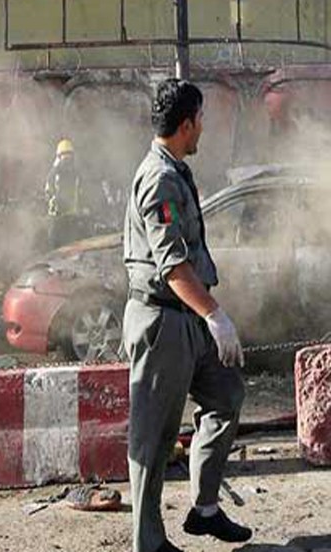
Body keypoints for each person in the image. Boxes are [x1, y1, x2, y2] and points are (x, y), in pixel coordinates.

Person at [123, 79, 250, 552]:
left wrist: (207, 317)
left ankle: (205, 510)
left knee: (226, 394)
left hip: (187, 316)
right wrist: (216, 315)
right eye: (201, 120)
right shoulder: (159, 178)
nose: (204, 128)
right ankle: (148, 543)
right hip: (163, 321)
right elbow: (171, 264)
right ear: (185, 124)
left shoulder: (175, 169)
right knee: (153, 438)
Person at [44, 138, 82, 248]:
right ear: (59, 157)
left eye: (69, 154)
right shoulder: (54, 173)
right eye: (64, 155)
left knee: (71, 247)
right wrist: (54, 200)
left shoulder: (76, 173)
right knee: (54, 247)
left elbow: (80, 191)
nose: (67, 158)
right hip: (56, 216)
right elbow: (48, 190)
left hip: (71, 216)